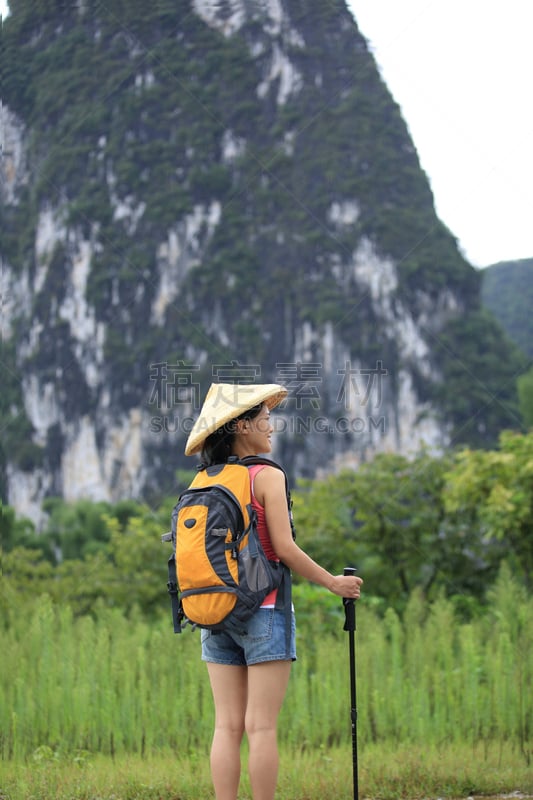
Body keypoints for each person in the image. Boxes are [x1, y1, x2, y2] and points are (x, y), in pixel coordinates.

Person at [184, 382, 363, 800]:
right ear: (241, 426)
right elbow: (284, 549)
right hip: (264, 611)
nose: (271, 427)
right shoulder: (267, 475)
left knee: (226, 726)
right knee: (260, 726)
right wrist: (333, 583)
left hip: (214, 611)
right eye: (264, 419)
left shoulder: (205, 480)